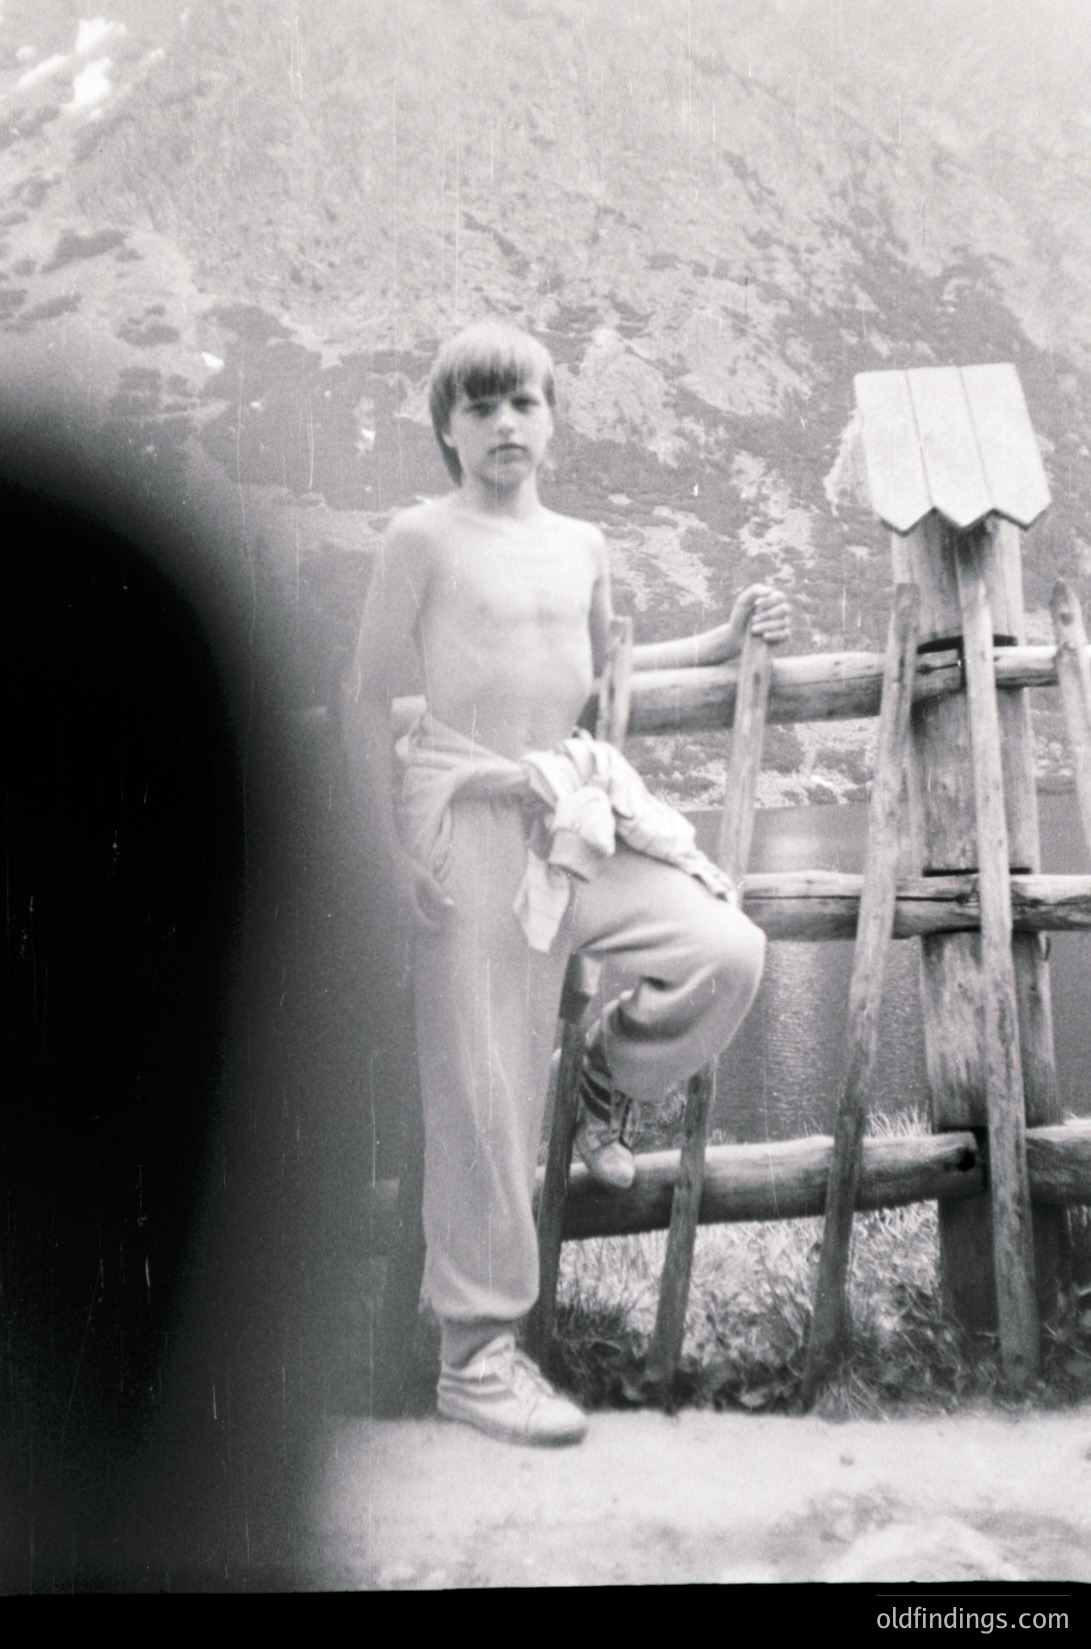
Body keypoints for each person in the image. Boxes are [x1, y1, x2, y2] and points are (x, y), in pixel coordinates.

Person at [343, 319, 789, 1446]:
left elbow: (608, 676)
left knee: (723, 948)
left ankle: (599, 1083)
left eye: (523, 403)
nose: (504, 423)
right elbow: (365, 698)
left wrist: (724, 636)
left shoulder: (585, 541)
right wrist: (385, 850)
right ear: (445, 427)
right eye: (480, 405)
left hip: (570, 809)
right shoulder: (419, 538)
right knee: (482, 1095)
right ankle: (475, 1357)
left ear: (551, 418)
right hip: (468, 825)